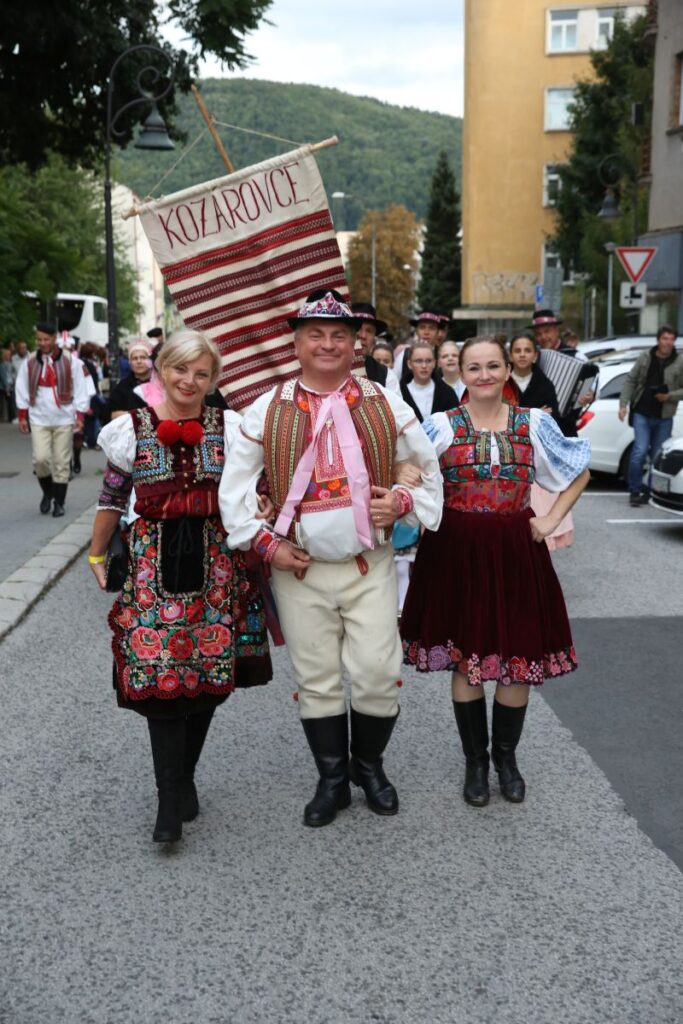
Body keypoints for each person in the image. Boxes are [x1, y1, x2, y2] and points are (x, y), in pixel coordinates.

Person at [220, 290, 442, 828]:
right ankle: (332, 779)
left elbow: (428, 466)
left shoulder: (382, 402)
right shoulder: (266, 408)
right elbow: (235, 489)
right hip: (299, 569)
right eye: (315, 335)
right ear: (296, 343)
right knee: (317, 677)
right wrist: (266, 542)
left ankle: (369, 767)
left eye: (338, 335)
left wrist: (404, 499)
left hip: (369, 565)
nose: (327, 344)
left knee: (374, 672)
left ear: (355, 344)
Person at [88, 330, 273, 845]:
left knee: (210, 672)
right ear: (159, 369)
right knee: (160, 675)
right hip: (152, 567)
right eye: (179, 369)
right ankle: (169, 798)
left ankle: (185, 775)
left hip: (219, 565)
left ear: (213, 380)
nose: (189, 381)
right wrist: (98, 553)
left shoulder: (230, 428)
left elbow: (257, 488)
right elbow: (111, 496)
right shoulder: (131, 430)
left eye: (201, 373)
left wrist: (262, 502)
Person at [401, 336, 590, 808]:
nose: (483, 375)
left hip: (514, 549)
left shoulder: (535, 423)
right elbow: (406, 467)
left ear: (508, 370)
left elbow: (578, 469)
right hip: (456, 549)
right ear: (460, 374)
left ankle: (507, 759)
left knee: (517, 657)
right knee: (468, 654)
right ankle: (476, 762)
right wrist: (410, 485)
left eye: (492, 366)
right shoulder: (441, 426)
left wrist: (547, 520)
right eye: (473, 367)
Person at [15, 321, 90, 516]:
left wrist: (80, 414)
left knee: (61, 462)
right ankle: (48, 493)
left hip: (64, 418)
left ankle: (60, 503)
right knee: (40, 460)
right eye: (39, 339)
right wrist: (22, 416)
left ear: (54, 339)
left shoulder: (71, 361)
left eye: (46, 339)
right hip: (38, 418)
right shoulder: (30, 361)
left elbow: (81, 389)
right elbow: (22, 388)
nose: (42, 343)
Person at [619, 325, 683, 506]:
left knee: (656, 455)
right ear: (658, 340)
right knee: (639, 451)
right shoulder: (645, 357)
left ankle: (651, 491)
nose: (667, 342)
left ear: (674, 341)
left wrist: (669, 396)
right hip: (642, 412)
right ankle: (635, 490)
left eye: (671, 339)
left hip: (664, 416)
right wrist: (623, 405)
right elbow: (630, 380)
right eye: (664, 338)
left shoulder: (679, 361)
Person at [530, 309, 593, 435]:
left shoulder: (576, 356)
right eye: (538, 334)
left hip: (566, 427)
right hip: (538, 427)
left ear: (556, 331)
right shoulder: (532, 357)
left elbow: (594, 387)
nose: (543, 337)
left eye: (547, 331)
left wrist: (589, 395)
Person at [400, 341, 458, 422]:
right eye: (418, 361)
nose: (424, 366)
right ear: (409, 364)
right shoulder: (399, 394)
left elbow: (455, 424)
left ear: (434, 363)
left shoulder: (448, 393)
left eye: (428, 361)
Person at [350, 301, 400, 394]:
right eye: (358, 328)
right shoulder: (328, 367)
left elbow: (397, 408)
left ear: (374, 336)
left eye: (369, 331)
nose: (363, 336)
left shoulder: (387, 376)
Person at [106, 339, 154, 420]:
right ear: (130, 363)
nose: (139, 361)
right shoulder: (121, 388)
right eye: (135, 358)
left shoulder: (160, 384)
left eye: (143, 357)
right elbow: (112, 414)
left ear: (150, 361)